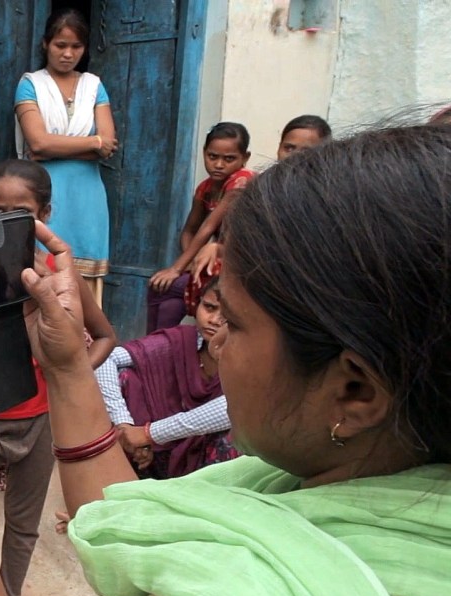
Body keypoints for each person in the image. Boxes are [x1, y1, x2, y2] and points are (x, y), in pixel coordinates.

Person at [0, 124, 451, 596]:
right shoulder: (315, 488)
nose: (213, 341)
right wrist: (68, 367)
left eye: (234, 323)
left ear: (355, 392)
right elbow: (124, 516)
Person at [0, 159, 115, 596]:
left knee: (23, 525)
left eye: (21, 212)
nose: (6, 221)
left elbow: (105, 337)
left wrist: (65, 376)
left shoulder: (60, 278)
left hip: (41, 422)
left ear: (44, 215)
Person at [14, 10, 117, 305]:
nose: (68, 54)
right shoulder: (31, 84)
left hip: (88, 198)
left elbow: (109, 144)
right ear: (46, 43)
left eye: (76, 46)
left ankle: (85, 334)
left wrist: (54, 148)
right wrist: (93, 143)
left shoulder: (93, 86)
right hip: (46, 193)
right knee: (42, 272)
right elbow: (38, 142)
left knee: (86, 285)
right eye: (60, 45)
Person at [185, 115, 332, 316]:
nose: (294, 157)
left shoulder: (328, 195)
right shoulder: (263, 189)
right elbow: (247, 239)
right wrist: (218, 248)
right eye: (289, 148)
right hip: (258, 274)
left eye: (306, 151)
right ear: (279, 148)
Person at [100, 278, 237, 480]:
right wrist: (125, 426)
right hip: (149, 450)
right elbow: (106, 358)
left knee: (236, 434)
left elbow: (232, 408)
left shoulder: (248, 358)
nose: (215, 320)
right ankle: (117, 473)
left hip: (204, 466)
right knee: (125, 378)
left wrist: (150, 434)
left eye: (227, 317)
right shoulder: (180, 340)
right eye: (209, 307)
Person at [146, 122, 252, 333]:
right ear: (204, 152)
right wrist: (194, 261)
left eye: (229, 159)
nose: (219, 164)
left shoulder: (241, 182)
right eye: (213, 157)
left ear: (245, 158)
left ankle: (152, 345)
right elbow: (189, 231)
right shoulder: (205, 188)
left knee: (163, 288)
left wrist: (176, 269)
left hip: (239, 264)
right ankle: (159, 345)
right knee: (169, 303)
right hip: (214, 261)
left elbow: (208, 227)